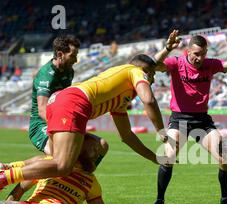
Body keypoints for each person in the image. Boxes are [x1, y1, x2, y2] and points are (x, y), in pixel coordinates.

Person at [0, 54, 168, 192]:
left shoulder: (122, 96)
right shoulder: (135, 71)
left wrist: (156, 158)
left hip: (62, 100)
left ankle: (8, 172)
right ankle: (4, 178)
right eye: (152, 75)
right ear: (146, 71)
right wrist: (162, 132)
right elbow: (149, 100)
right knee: (63, 166)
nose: (152, 80)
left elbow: (127, 136)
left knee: (95, 147)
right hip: (74, 103)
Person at [9, 35, 108, 204]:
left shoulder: (69, 71)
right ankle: (13, 192)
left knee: (101, 145)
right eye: (73, 56)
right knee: (58, 159)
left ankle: (72, 191)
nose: (76, 60)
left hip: (61, 122)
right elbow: (42, 109)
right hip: (41, 124)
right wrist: (65, 129)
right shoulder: (46, 75)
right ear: (60, 54)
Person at [0, 135, 155, 204]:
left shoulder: (91, 182)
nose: (96, 155)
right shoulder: (48, 164)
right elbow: (18, 186)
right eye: (93, 149)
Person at [151, 30, 227, 204]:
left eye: (203, 54)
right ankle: (160, 200)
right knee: (168, 157)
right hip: (179, 119)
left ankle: (225, 199)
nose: (200, 58)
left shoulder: (210, 64)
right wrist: (167, 48)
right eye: (196, 54)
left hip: (202, 120)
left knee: (225, 157)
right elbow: (154, 65)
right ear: (187, 51)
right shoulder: (177, 62)